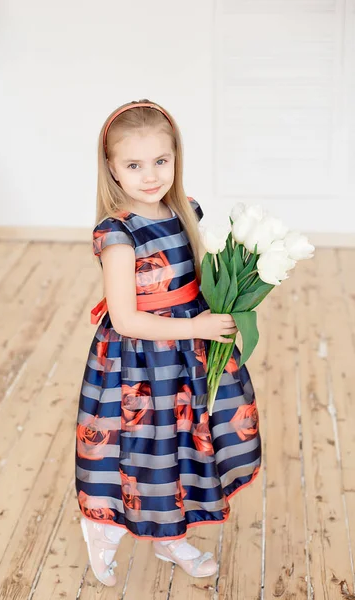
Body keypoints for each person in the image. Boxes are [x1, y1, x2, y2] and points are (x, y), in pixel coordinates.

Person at [75, 99, 261, 587]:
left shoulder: (186, 210)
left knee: (182, 444)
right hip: (138, 363)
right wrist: (196, 329)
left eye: (161, 160)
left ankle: (170, 535)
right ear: (112, 168)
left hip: (185, 358)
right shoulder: (118, 234)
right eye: (134, 165)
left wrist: (227, 300)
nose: (150, 175)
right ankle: (103, 530)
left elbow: (197, 280)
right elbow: (126, 318)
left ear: (176, 158)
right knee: (140, 448)